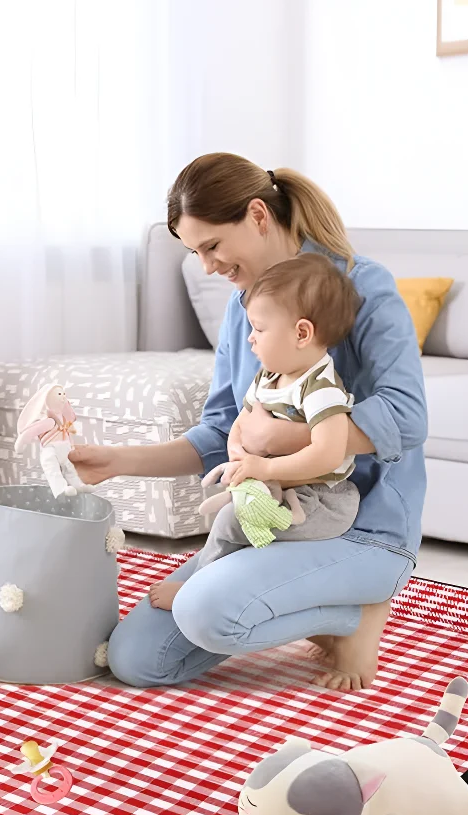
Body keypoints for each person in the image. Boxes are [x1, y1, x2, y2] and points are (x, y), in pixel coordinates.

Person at [70, 153, 426, 693]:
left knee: (205, 610)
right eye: (195, 252)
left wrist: (288, 438)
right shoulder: (246, 308)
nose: (207, 266)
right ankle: (301, 595)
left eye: (212, 246)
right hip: (273, 517)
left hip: (362, 529)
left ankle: (354, 613)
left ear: (258, 215)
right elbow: (218, 431)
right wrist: (118, 463)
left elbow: (408, 413)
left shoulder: (361, 287)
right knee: (137, 659)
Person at [149, 252, 361, 589]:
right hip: (277, 488)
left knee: (231, 523)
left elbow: (329, 453)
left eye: (259, 329)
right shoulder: (269, 375)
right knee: (230, 518)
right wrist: (237, 450)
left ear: (301, 334)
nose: (250, 338)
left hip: (321, 501)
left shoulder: (321, 388)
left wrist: (266, 469)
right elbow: (243, 420)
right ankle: (216, 581)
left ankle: (200, 588)